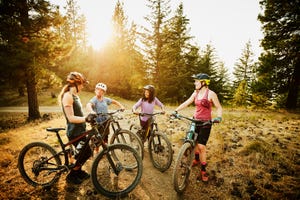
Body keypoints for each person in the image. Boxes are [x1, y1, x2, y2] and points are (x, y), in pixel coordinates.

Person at [173, 73, 222, 182]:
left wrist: (219, 117)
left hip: (206, 123)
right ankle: (196, 159)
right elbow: (187, 102)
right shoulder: (196, 93)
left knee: (201, 147)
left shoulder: (211, 94)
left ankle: (203, 170)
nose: (195, 83)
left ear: (204, 82)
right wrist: (176, 110)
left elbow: (218, 107)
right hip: (195, 121)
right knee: (192, 142)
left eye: (197, 81)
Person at [59, 72, 95, 184]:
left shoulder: (75, 96)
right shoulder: (67, 96)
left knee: (85, 152)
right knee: (85, 152)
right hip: (74, 132)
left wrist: (90, 116)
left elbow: (79, 113)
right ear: (75, 84)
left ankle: (78, 171)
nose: (83, 86)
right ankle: (72, 175)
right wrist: (86, 119)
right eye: (82, 84)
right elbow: (70, 118)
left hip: (80, 130)